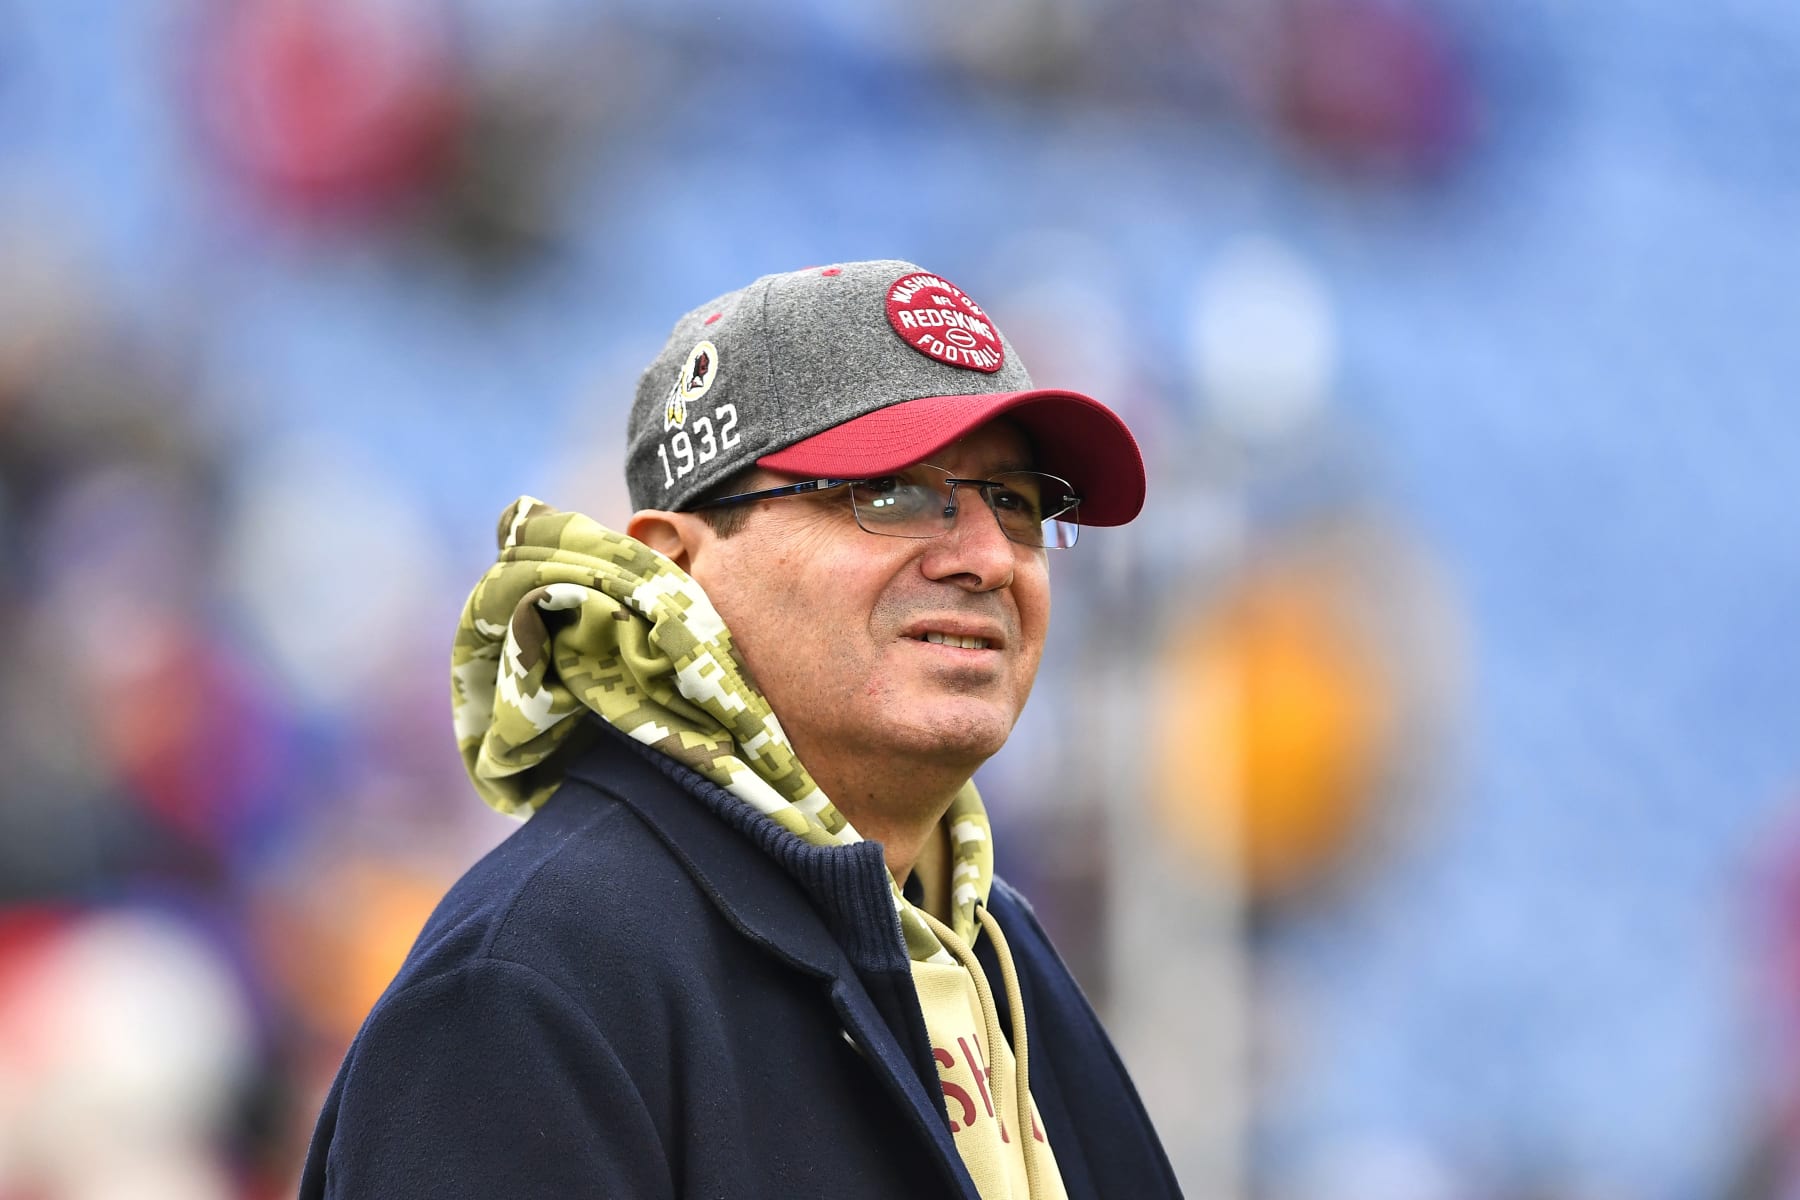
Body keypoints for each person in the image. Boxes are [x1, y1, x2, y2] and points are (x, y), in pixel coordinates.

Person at [299, 260, 1182, 1199]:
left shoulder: (997, 947)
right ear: (674, 567)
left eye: (1015, 503)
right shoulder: (527, 986)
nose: (986, 558)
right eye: (887, 492)